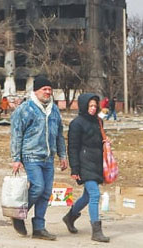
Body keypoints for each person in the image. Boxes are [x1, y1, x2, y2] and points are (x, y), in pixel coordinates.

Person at [9, 75, 68, 240]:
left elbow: (59, 135)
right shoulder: (26, 108)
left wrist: (62, 155)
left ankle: (39, 228)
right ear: (36, 90)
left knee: (46, 192)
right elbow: (16, 134)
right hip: (31, 155)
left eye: (50, 89)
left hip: (48, 157)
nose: (48, 92)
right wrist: (16, 158)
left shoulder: (54, 109)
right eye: (45, 89)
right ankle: (18, 214)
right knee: (38, 187)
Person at [62, 93, 110, 243]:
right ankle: (96, 231)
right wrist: (75, 169)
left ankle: (69, 217)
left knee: (87, 196)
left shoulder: (98, 121)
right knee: (95, 195)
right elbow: (73, 147)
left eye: (95, 106)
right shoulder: (76, 124)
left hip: (97, 163)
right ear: (83, 106)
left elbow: (99, 140)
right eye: (90, 106)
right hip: (84, 163)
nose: (93, 108)